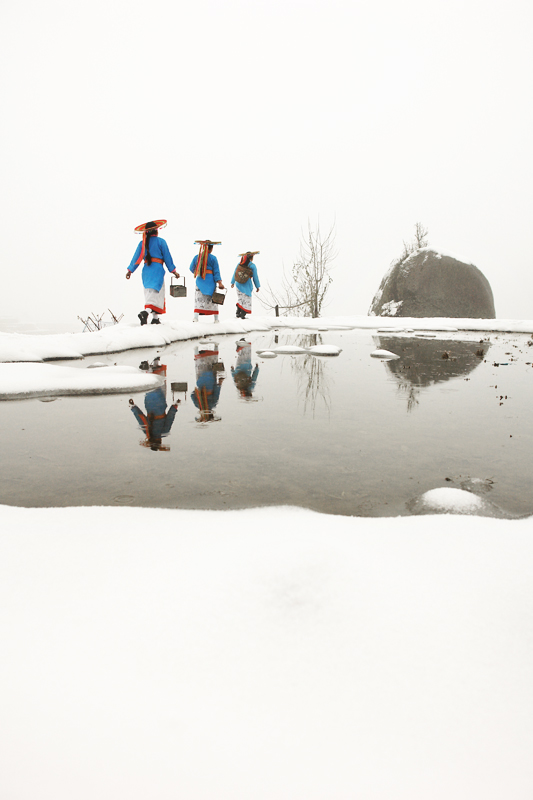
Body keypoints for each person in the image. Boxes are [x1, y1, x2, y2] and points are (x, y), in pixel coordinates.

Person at [126, 220, 180, 325]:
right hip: (157, 270)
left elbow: (136, 258)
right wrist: (174, 271)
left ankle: (155, 318)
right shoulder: (161, 242)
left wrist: (130, 271)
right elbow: (167, 257)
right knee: (156, 294)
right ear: (156, 231)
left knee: (149, 293)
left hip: (146, 271)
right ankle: (145, 313)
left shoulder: (143, 243)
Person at [129, 358, 179, 450]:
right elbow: (140, 418)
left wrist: (175, 406)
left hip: (160, 405)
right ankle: (148, 370)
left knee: (159, 385)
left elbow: (170, 417)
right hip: (149, 405)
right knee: (150, 387)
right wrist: (133, 407)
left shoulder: (164, 431)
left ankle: (153, 367)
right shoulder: (147, 432)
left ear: (159, 440)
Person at [190, 240, 224, 323]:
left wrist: (198, 272)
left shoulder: (196, 257)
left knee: (198, 299)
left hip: (200, 280)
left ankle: (195, 318)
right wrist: (219, 282)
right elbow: (216, 272)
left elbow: (191, 268)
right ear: (211, 248)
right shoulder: (213, 258)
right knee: (214, 300)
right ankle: (216, 319)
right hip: (211, 281)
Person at [230, 251, 260, 318]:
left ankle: (238, 311)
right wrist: (257, 286)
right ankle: (243, 314)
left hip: (238, 283)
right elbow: (255, 277)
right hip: (246, 285)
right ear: (251, 258)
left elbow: (235, 273)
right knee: (246, 299)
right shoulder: (252, 265)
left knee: (240, 298)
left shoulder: (239, 264)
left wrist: (232, 282)